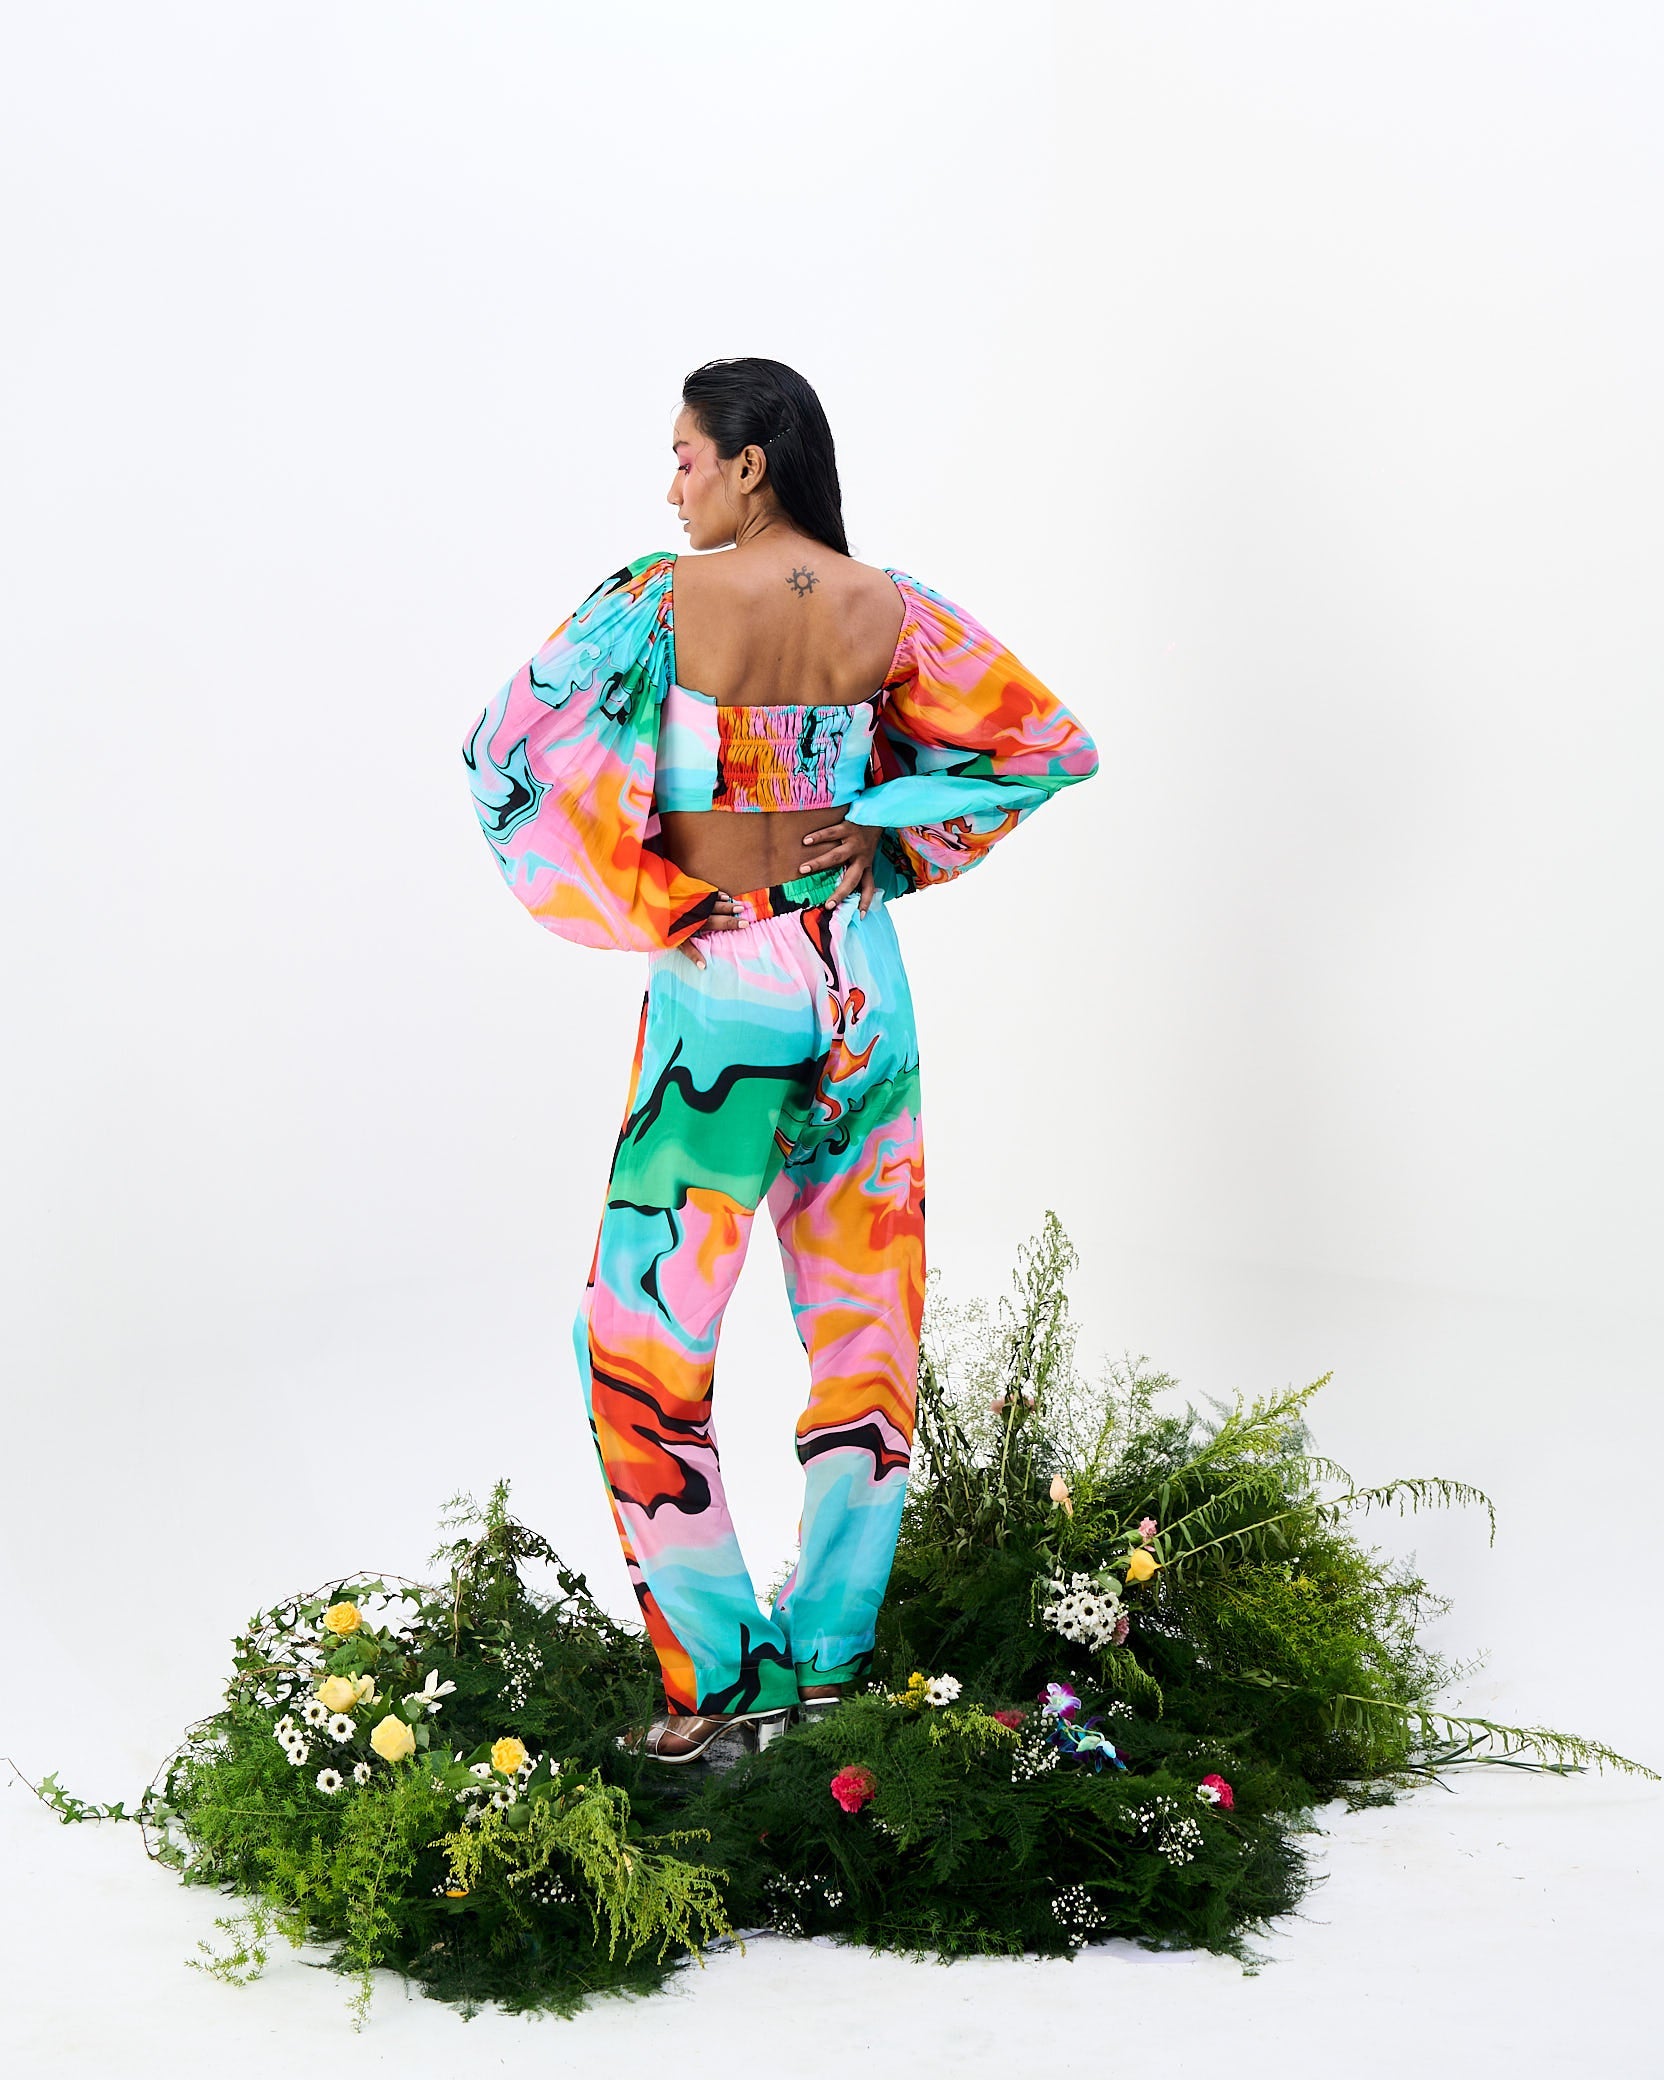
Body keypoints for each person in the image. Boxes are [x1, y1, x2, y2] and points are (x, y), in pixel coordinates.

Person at [463, 356, 1099, 1761]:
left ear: (750, 464)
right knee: (865, 1318)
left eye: (687, 455)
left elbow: (504, 759)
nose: (671, 485)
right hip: (861, 978)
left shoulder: (658, 602)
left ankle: (720, 1685)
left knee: (637, 1336)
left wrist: (651, 897)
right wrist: (887, 826)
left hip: (727, 988)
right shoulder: (891, 607)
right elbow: (1050, 748)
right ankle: (828, 1662)